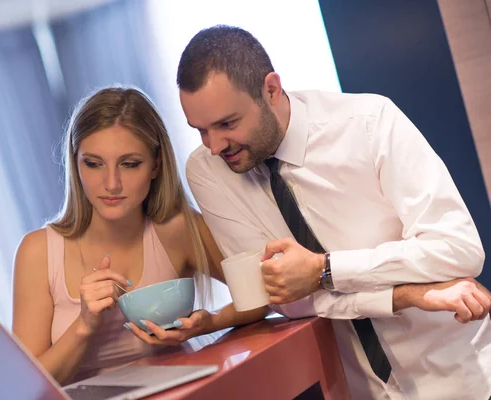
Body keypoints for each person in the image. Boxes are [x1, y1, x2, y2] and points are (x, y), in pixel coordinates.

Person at [178, 25, 491, 399]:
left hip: (461, 378)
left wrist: (325, 269)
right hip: (357, 390)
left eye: (227, 124)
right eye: (199, 131)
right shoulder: (207, 171)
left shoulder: (371, 123)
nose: (214, 146)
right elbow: (282, 298)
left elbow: (458, 249)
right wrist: (408, 293)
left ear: (271, 90)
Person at [11, 87, 267, 385]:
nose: (111, 183)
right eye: (93, 164)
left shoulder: (177, 229)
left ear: (156, 165)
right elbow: (25, 388)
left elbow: (261, 296)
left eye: (130, 164)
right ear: (75, 163)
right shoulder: (38, 252)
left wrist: (207, 323)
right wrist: (84, 326)